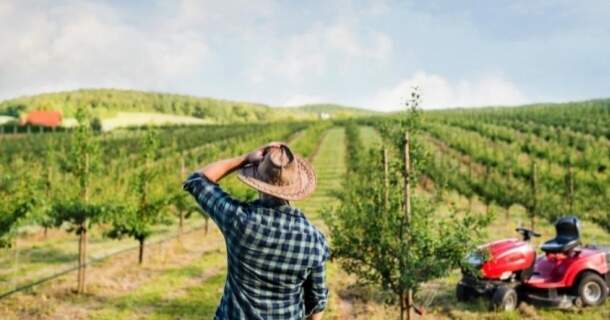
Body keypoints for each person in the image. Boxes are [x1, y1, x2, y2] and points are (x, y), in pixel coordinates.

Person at [183, 142, 329, 320]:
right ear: (295, 186)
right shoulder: (314, 241)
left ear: (257, 179)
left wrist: (244, 159)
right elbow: (317, 302)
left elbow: (197, 180)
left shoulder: (237, 219)